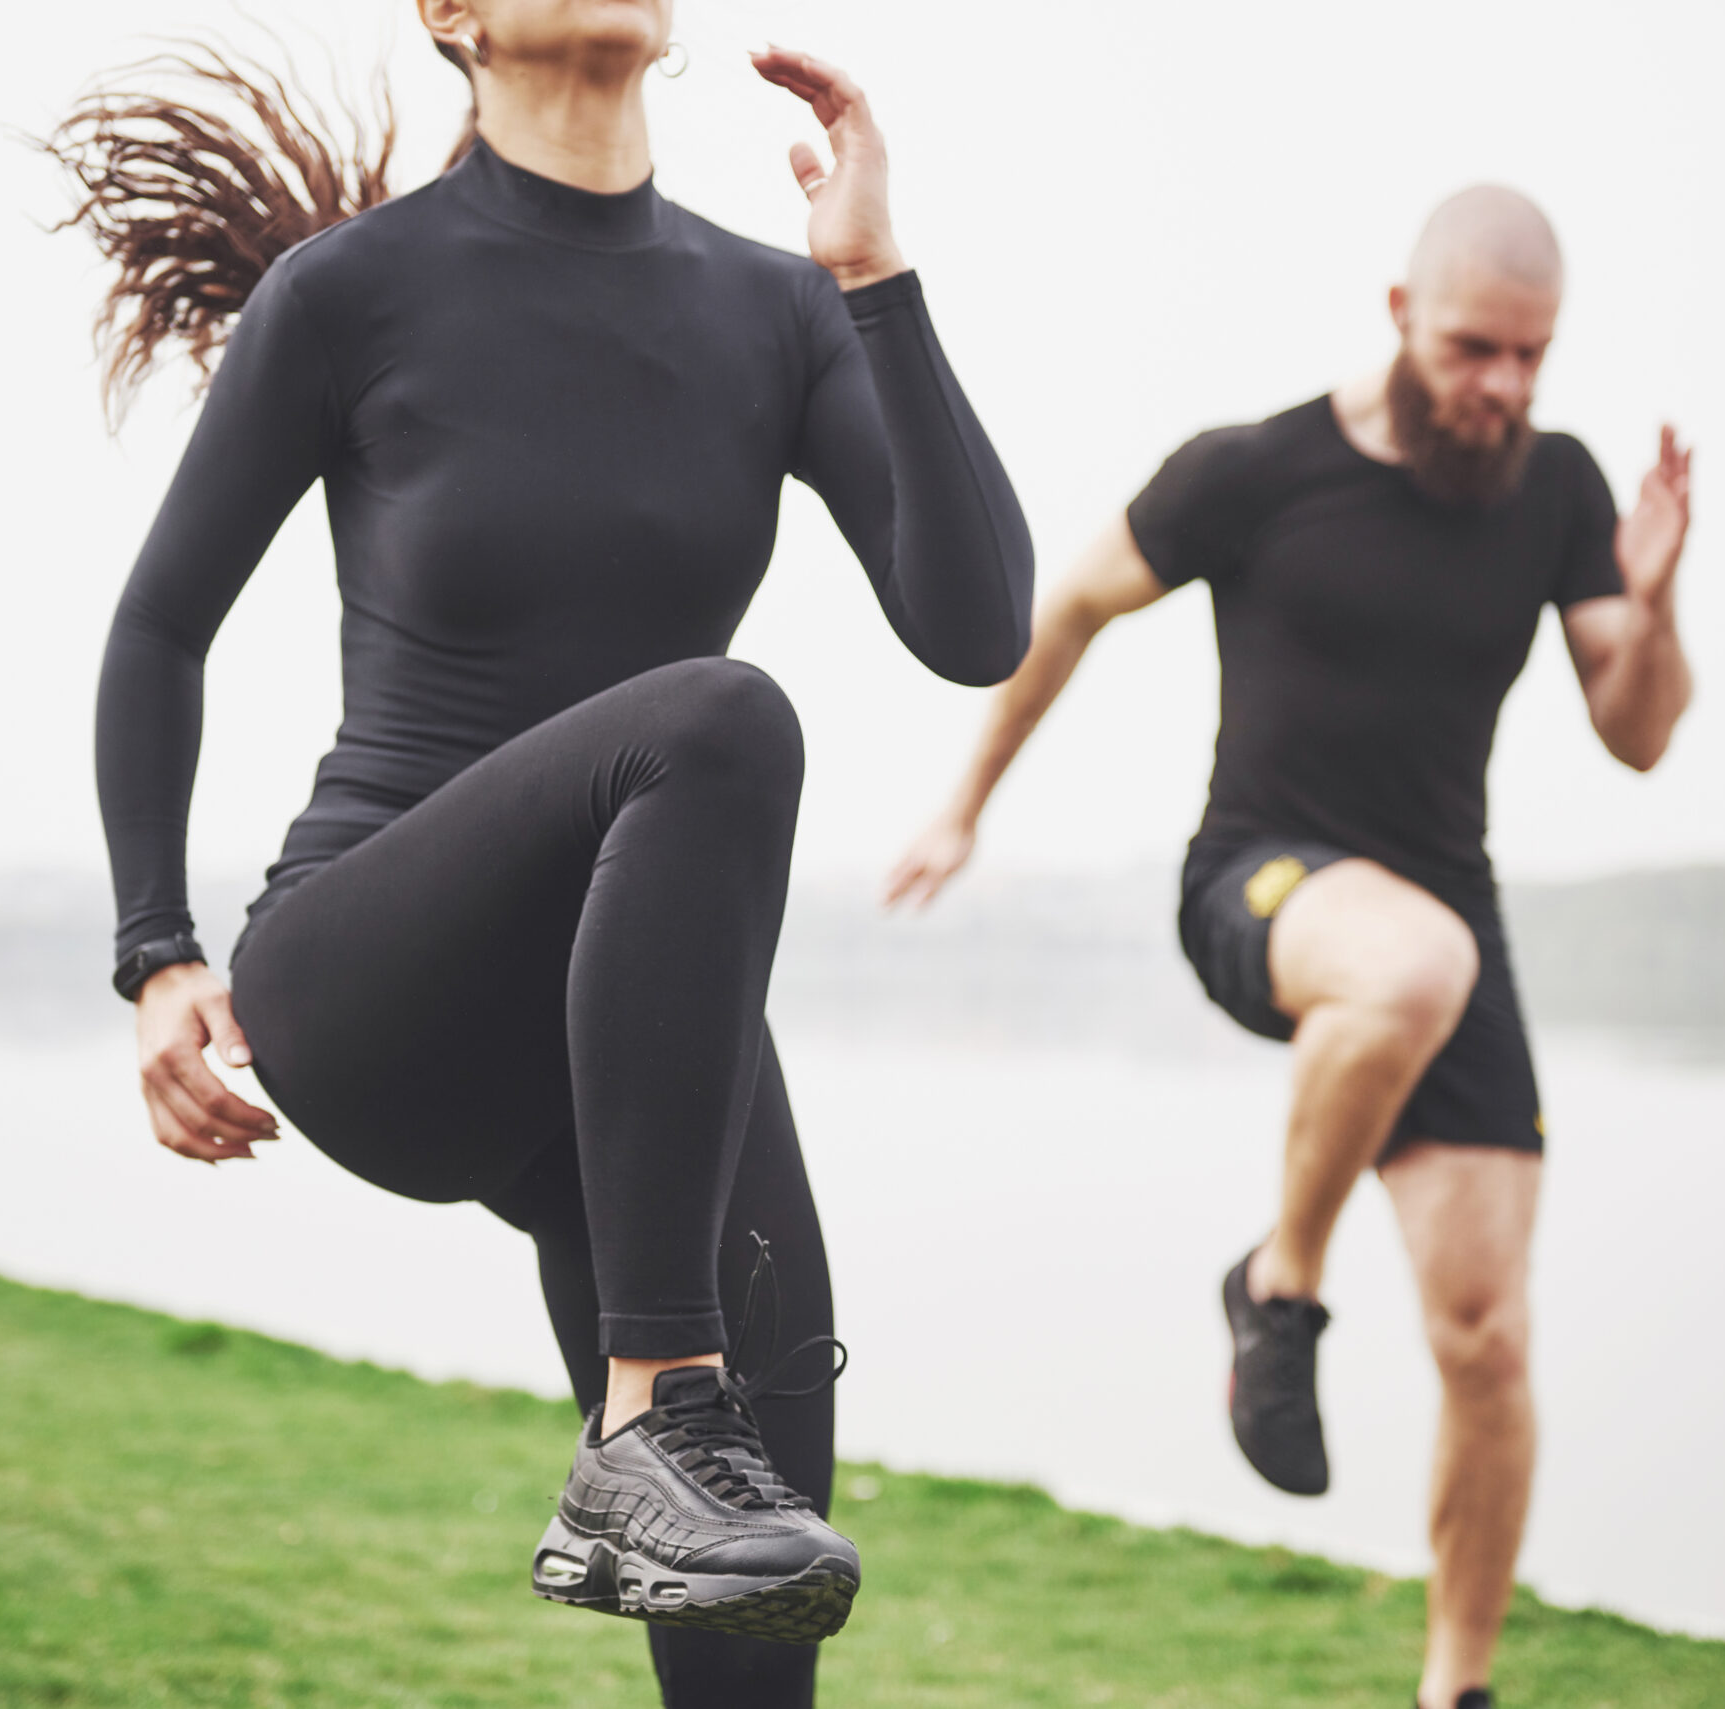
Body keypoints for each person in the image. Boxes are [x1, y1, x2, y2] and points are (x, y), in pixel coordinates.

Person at [57, 3, 1032, 1703]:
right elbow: (157, 630)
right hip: (378, 974)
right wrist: (157, 951)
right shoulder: (353, 293)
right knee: (719, 721)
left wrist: (876, 283)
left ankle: (670, 1431)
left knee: (760, 1585)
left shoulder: (776, 306)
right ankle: (650, 1402)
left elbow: (979, 626)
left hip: (636, 1042)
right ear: (450, 12)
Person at [885, 185, 1692, 1709]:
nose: (1507, 388)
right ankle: (1283, 1282)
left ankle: (1455, 1688)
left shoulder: (1559, 490)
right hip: (1258, 886)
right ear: (1401, 314)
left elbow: (1636, 735)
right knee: (1408, 964)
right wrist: (964, 807)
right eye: (1477, 350)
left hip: (1446, 919)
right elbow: (1065, 608)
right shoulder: (1255, 471)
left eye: (1535, 357)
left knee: (1489, 1341)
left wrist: (1653, 605)